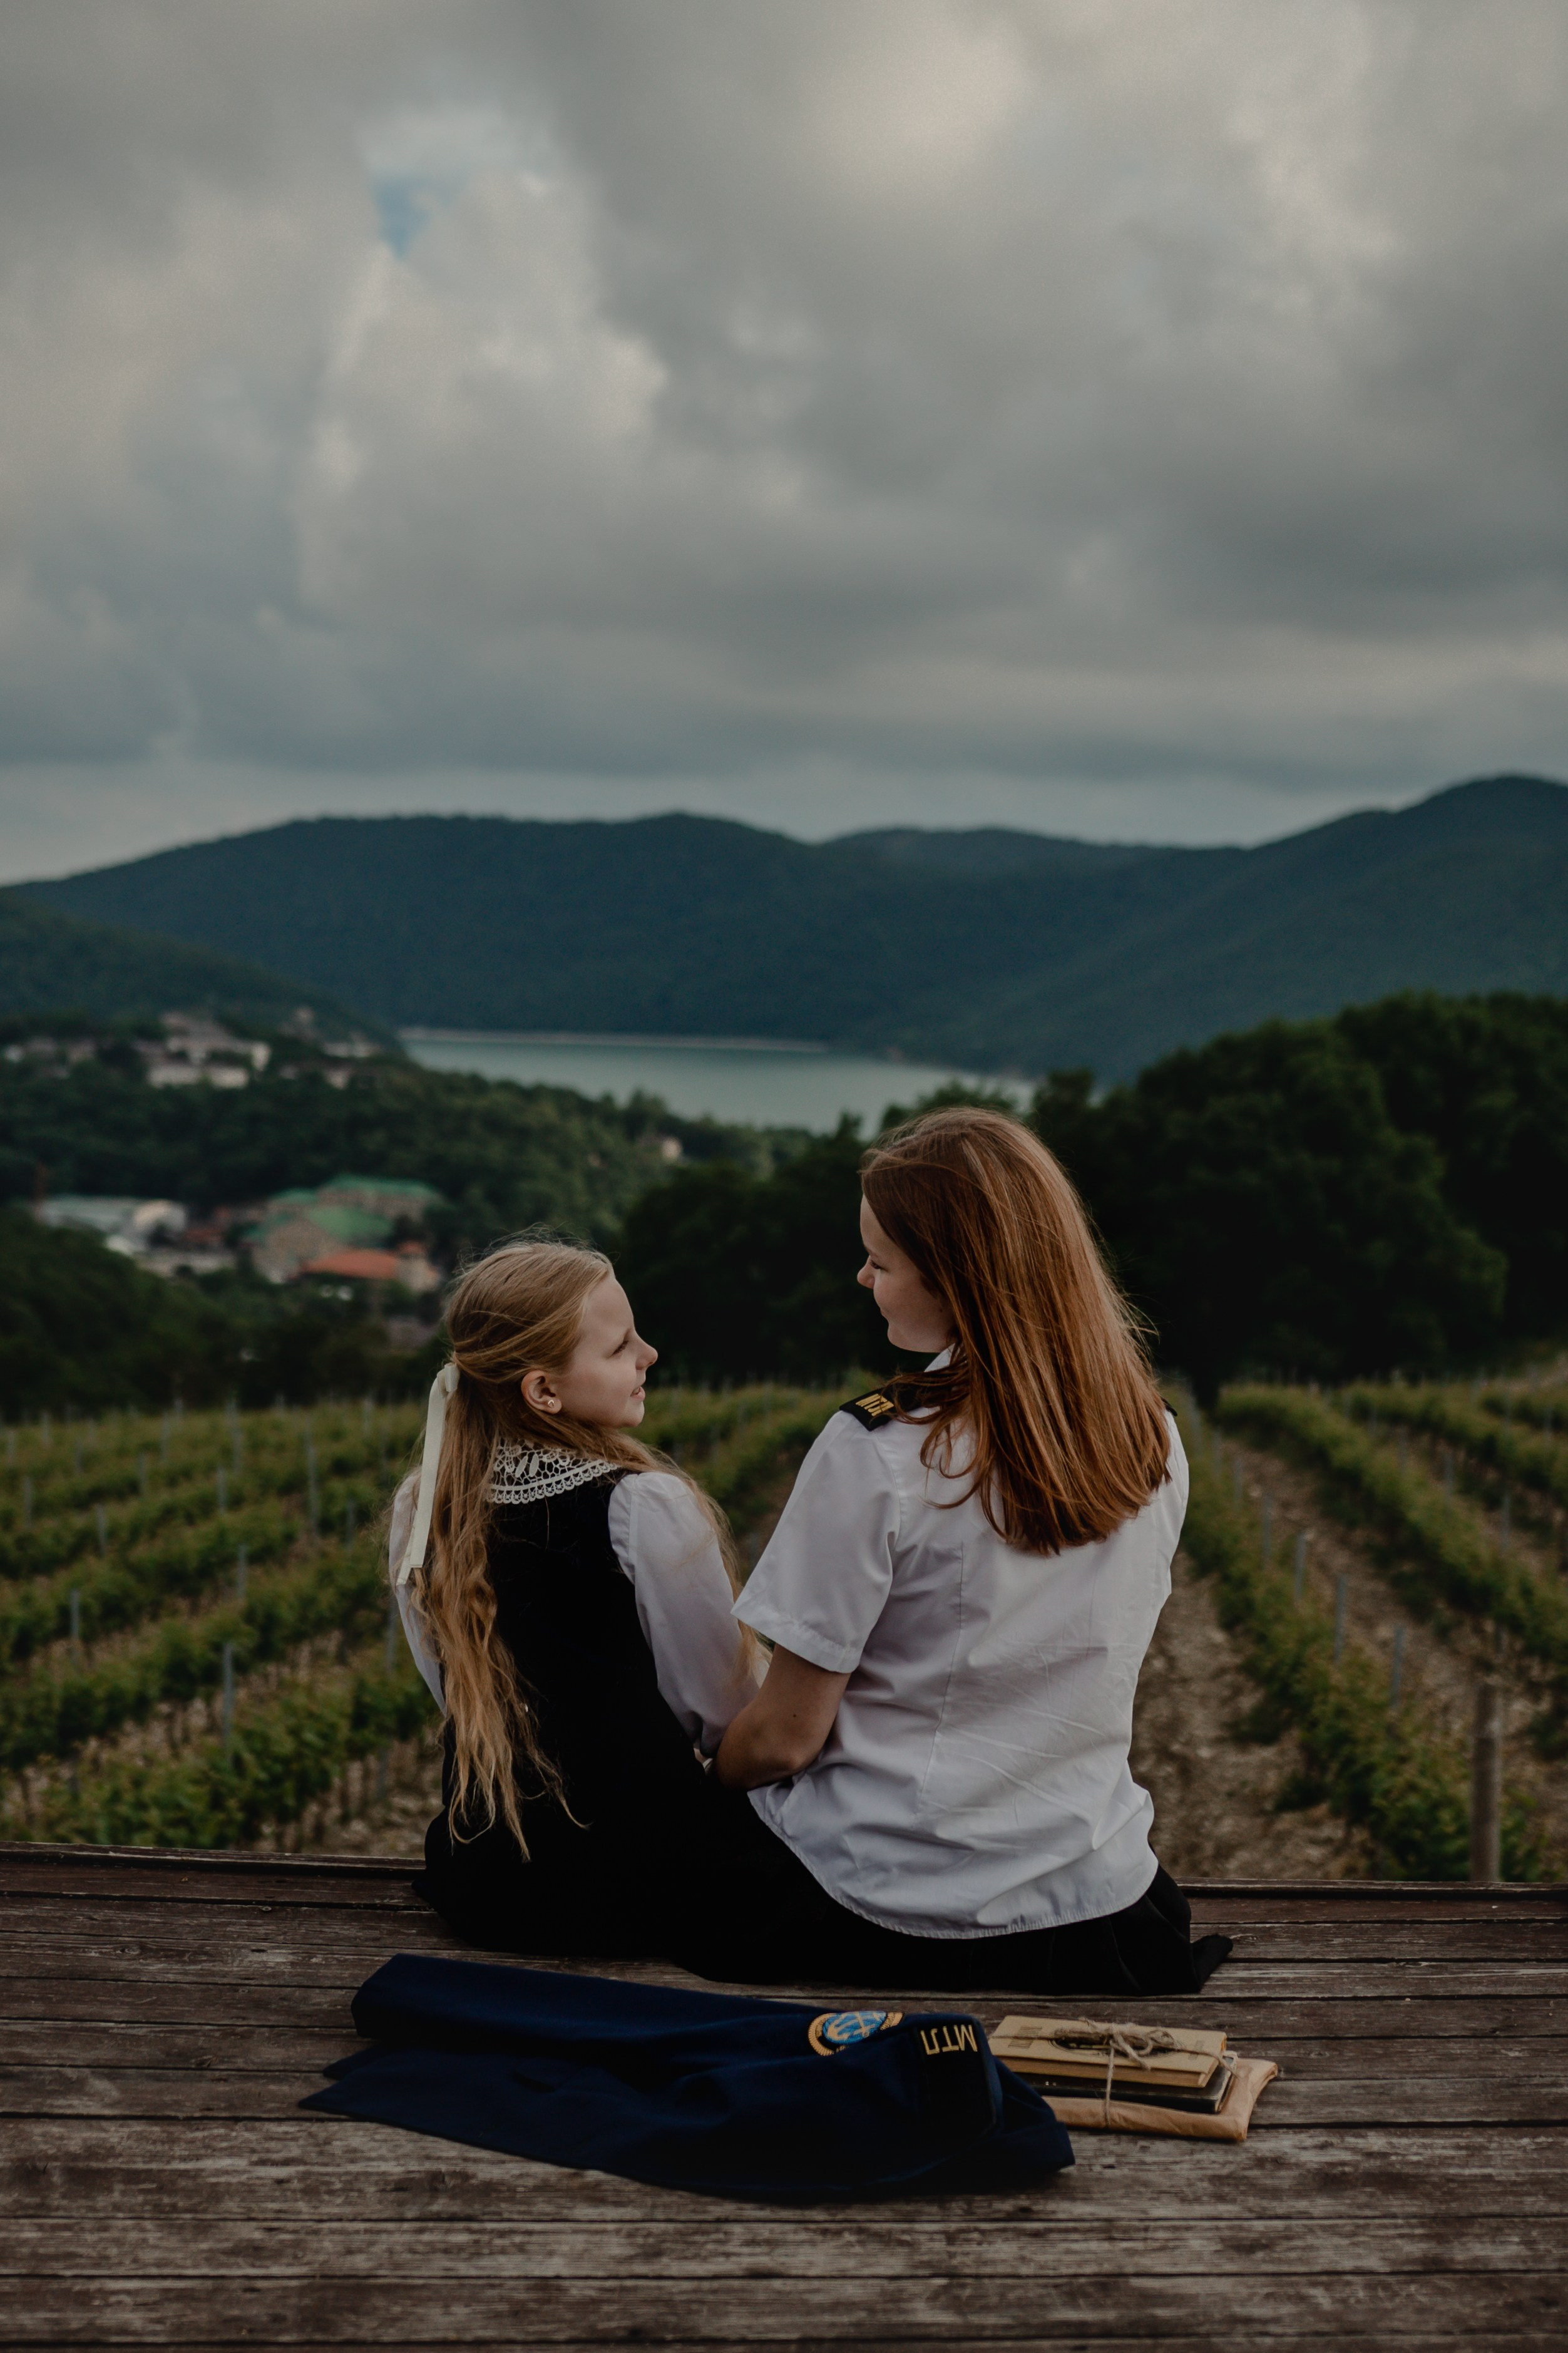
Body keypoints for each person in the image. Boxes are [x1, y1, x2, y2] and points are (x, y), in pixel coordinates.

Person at [708, 1105, 1229, 1997]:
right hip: (1095, 1899)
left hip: (884, 1904)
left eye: (883, 1258)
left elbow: (786, 1739)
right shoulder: (1155, 1440)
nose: (861, 1273)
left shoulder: (874, 1453)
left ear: (957, 1279)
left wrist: (707, 1776)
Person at [391, 1237, 761, 1958]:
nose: (648, 1353)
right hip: (642, 1881)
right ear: (544, 1391)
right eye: (622, 1345)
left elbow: (451, 1689)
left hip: (491, 1878)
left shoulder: (422, 1504)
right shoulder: (642, 1506)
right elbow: (722, 1714)